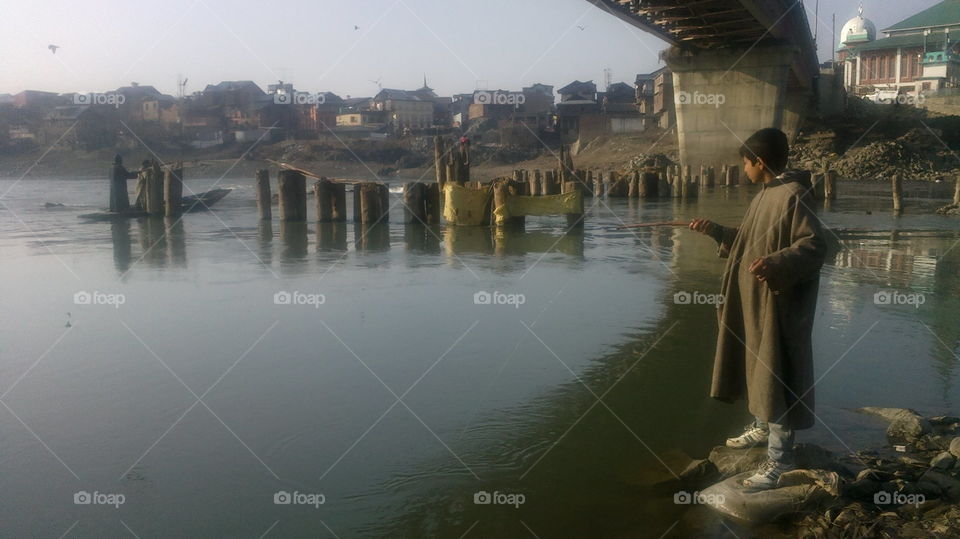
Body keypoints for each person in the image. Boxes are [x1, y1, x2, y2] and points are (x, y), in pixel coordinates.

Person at [689, 127, 827, 490]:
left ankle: (780, 461)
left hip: (777, 307)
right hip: (753, 304)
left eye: (745, 164)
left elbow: (815, 246)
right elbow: (750, 242)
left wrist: (777, 265)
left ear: (759, 162)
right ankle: (761, 427)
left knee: (775, 375)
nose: (743, 170)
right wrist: (717, 231)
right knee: (756, 366)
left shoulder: (793, 195)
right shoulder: (766, 194)